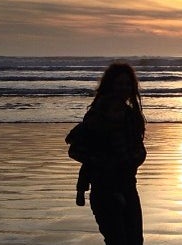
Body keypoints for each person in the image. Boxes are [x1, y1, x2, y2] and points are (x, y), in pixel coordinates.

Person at [66, 63, 147, 245]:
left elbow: (139, 149)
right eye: (119, 84)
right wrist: (101, 163)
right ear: (110, 85)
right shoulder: (96, 116)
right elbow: (74, 149)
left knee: (135, 241)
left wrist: (136, 157)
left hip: (128, 186)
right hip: (103, 189)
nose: (124, 88)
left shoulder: (131, 116)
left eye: (127, 84)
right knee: (117, 241)